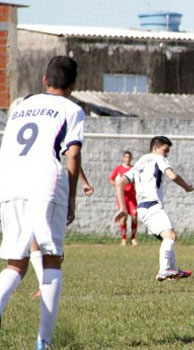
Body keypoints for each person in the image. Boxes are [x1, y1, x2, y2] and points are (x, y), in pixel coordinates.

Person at [0, 56, 84, 350]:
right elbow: (72, 154)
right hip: (44, 182)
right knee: (52, 259)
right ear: (73, 85)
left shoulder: (20, 107)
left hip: (9, 181)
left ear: (45, 80)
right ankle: (44, 341)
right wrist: (71, 196)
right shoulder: (72, 109)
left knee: (15, 263)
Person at [114, 136, 194, 282]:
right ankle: (164, 270)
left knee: (167, 237)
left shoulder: (138, 163)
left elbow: (119, 183)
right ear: (155, 148)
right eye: (165, 150)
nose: (166, 154)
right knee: (170, 236)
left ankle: (174, 271)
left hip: (142, 209)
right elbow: (172, 175)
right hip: (152, 205)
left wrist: (122, 208)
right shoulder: (158, 158)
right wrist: (187, 187)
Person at [30, 169, 94, 299]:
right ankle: (45, 285)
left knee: (34, 236)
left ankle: (45, 286)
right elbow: (74, 153)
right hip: (43, 182)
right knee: (34, 236)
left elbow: (73, 153)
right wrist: (84, 182)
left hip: (45, 183)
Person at [109, 151, 138, 246]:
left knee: (134, 215)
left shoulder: (134, 169)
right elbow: (111, 179)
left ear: (131, 159)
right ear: (123, 158)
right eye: (126, 157)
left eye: (129, 157)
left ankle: (133, 238)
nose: (127, 159)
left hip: (132, 196)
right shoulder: (119, 168)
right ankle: (124, 239)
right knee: (123, 217)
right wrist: (117, 186)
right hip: (123, 196)